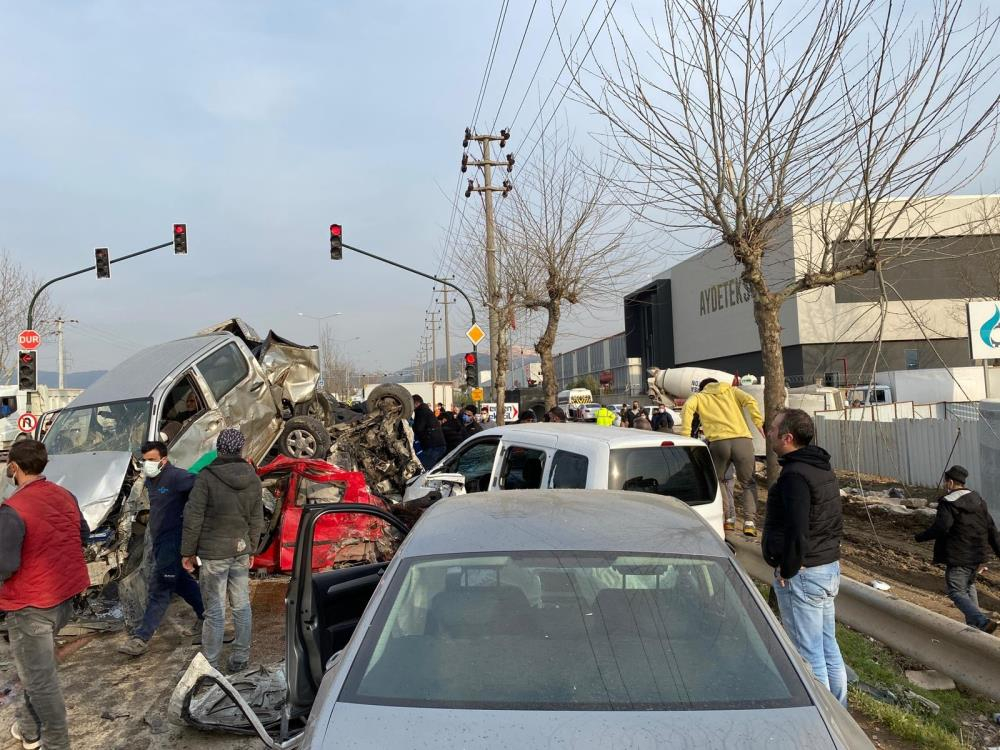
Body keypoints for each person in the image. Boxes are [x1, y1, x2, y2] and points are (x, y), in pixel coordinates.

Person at [0, 440, 90, 750]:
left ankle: (56, 742)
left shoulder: (14, 509)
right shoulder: (66, 495)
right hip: (64, 597)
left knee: (41, 682)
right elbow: (83, 534)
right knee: (33, 668)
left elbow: (5, 564)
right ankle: (28, 729)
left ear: (14, 467)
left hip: (31, 605)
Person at [761, 409, 847, 706]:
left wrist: (788, 568)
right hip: (826, 567)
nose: (767, 432)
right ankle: (840, 712)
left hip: (805, 572)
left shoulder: (795, 476)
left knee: (808, 653)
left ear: (787, 438)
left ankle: (823, 719)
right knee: (827, 645)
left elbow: (798, 529)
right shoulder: (821, 467)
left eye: (771, 429)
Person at [181, 428, 263, 673]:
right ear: (241, 449)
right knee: (241, 605)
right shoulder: (253, 477)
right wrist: (251, 549)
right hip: (240, 549)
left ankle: (211, 664)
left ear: (219, 449)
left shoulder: (207, 477)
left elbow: (193, 516)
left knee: (215, 611)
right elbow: (256, 517)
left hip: (213, 553)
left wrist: (187, 552)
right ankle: (240, 657)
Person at [119, 441, 204, 657]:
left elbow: (201, 486)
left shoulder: (177, 477)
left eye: (152, 460)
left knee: (160, 589)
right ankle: (209, 617)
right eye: (144, 460)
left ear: (164, 460)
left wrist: (191, 517)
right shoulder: (150, 479)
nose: (147, 464)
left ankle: (141, 638)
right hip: (159, 542)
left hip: (173, 541)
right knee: (182, 583)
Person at [914, 465, 1000, 634]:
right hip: (977, 555)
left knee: (956, 591)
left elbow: (942, 527)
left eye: (946, 482)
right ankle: (976, 627)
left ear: (951, 482)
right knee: (968, 586)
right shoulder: (979, 501)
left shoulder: (948, 503)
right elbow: (991, 528)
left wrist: (920, 536)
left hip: (959, 555)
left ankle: (981, 621)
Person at [681, 377, 764, 536]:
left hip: (718, 443)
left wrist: (686, 436)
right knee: (748, 482)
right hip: (742, 440)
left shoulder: (699, 397)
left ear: (702, 388)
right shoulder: (732, 391)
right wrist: (758, 423)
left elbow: (687, 409)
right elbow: (750, 400)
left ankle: (729, 519)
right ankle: (749, 522)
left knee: (719, 481)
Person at [412, 395, 447, 470]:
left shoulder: (421, 411)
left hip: (433, 446)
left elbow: (418, 428)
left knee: (426, 471)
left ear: (416, 403)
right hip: (437, 445)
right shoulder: (426, 410)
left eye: (411, 404)